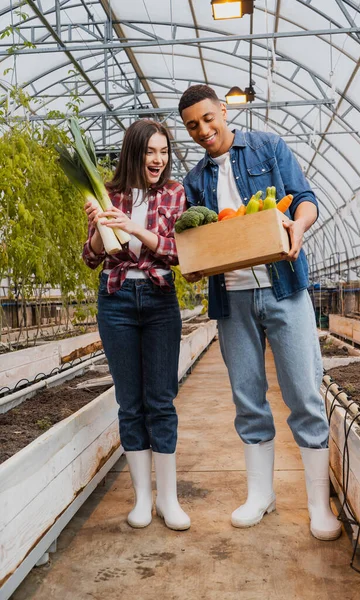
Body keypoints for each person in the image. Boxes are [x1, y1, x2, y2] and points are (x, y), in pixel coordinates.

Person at [178, 84, 341, 541]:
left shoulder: (268, 146)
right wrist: (193, 266)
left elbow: (305, 198)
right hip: (232, 299)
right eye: (193, 125)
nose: (203, 131)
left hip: (284, 288)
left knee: (304, 394)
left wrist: (297, 226)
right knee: (247, 398)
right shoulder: (195, 180)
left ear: (224, 111)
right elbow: (199, 242)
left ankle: (317, 506)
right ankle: (260, 496)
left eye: (208, 119)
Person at [82, 119, 190, 531]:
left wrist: (134, 229)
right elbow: (93, 256)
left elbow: (179, 252)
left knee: (160, 401)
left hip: (160, 299)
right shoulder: (108, 194)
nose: (158, 160)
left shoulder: (175, 193)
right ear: (134, 152)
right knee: (130, 403)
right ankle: (142, 500)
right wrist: (100, 229)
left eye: (163, 151)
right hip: (116, 300)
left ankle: (169, 499)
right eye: (150, 152)